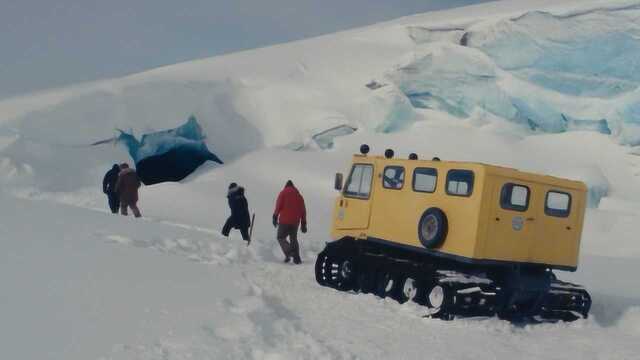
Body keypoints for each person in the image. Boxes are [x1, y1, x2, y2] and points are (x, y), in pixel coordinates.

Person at [273, 180, 307, 264]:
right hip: (295, 222)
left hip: (284, 220)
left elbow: (278, 205)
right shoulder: (299, 196)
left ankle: (290, 252)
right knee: (293, 239)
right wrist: (303, 223)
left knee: (280, 237)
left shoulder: (283, 193)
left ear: (286, 186)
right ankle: (297, 258)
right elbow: (303, 210)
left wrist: (275, 216)